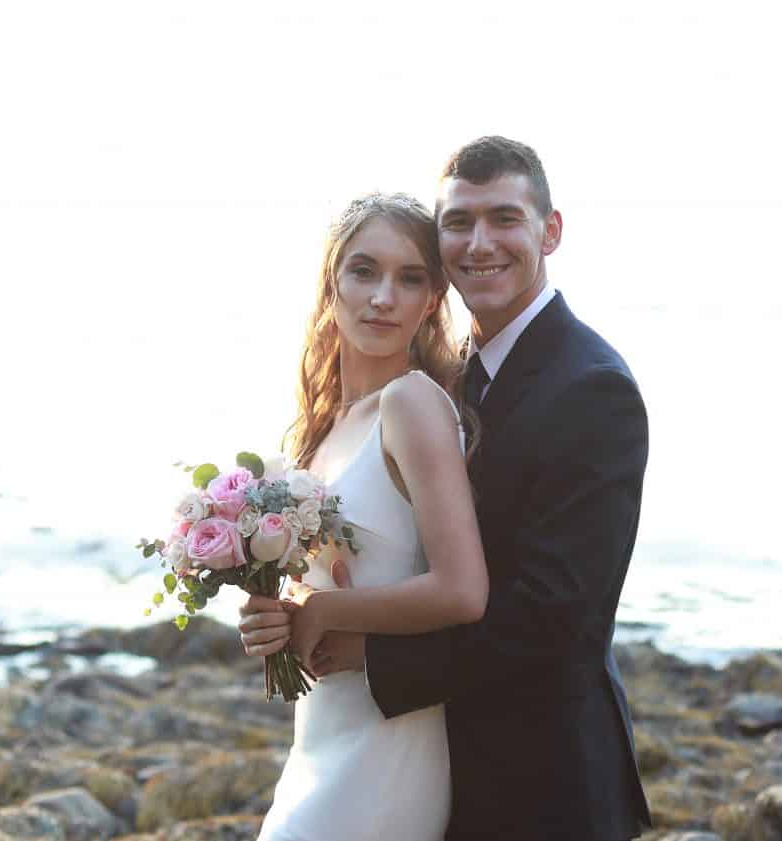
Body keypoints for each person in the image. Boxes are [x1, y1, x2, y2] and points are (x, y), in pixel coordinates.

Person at [242, 137, 653, 841]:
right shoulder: (450, 378)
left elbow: (557, 620)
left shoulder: (592, 389)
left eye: (504, 218)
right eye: (458, 222)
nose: (479, 241)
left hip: (542, 782)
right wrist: (283, 610)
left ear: (550, 231)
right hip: (417, 751)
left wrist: (363, 646)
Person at [253, 192, 488, 841]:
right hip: (321, 730)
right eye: (364, 271)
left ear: (431, 301)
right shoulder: (320, 427)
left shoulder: (411, 404)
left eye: (409, 278)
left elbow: (464, 589)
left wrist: (326, 615)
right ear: (331, 284)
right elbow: (324, 580)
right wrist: (275, 615)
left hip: (390, 744)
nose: (384, 295)